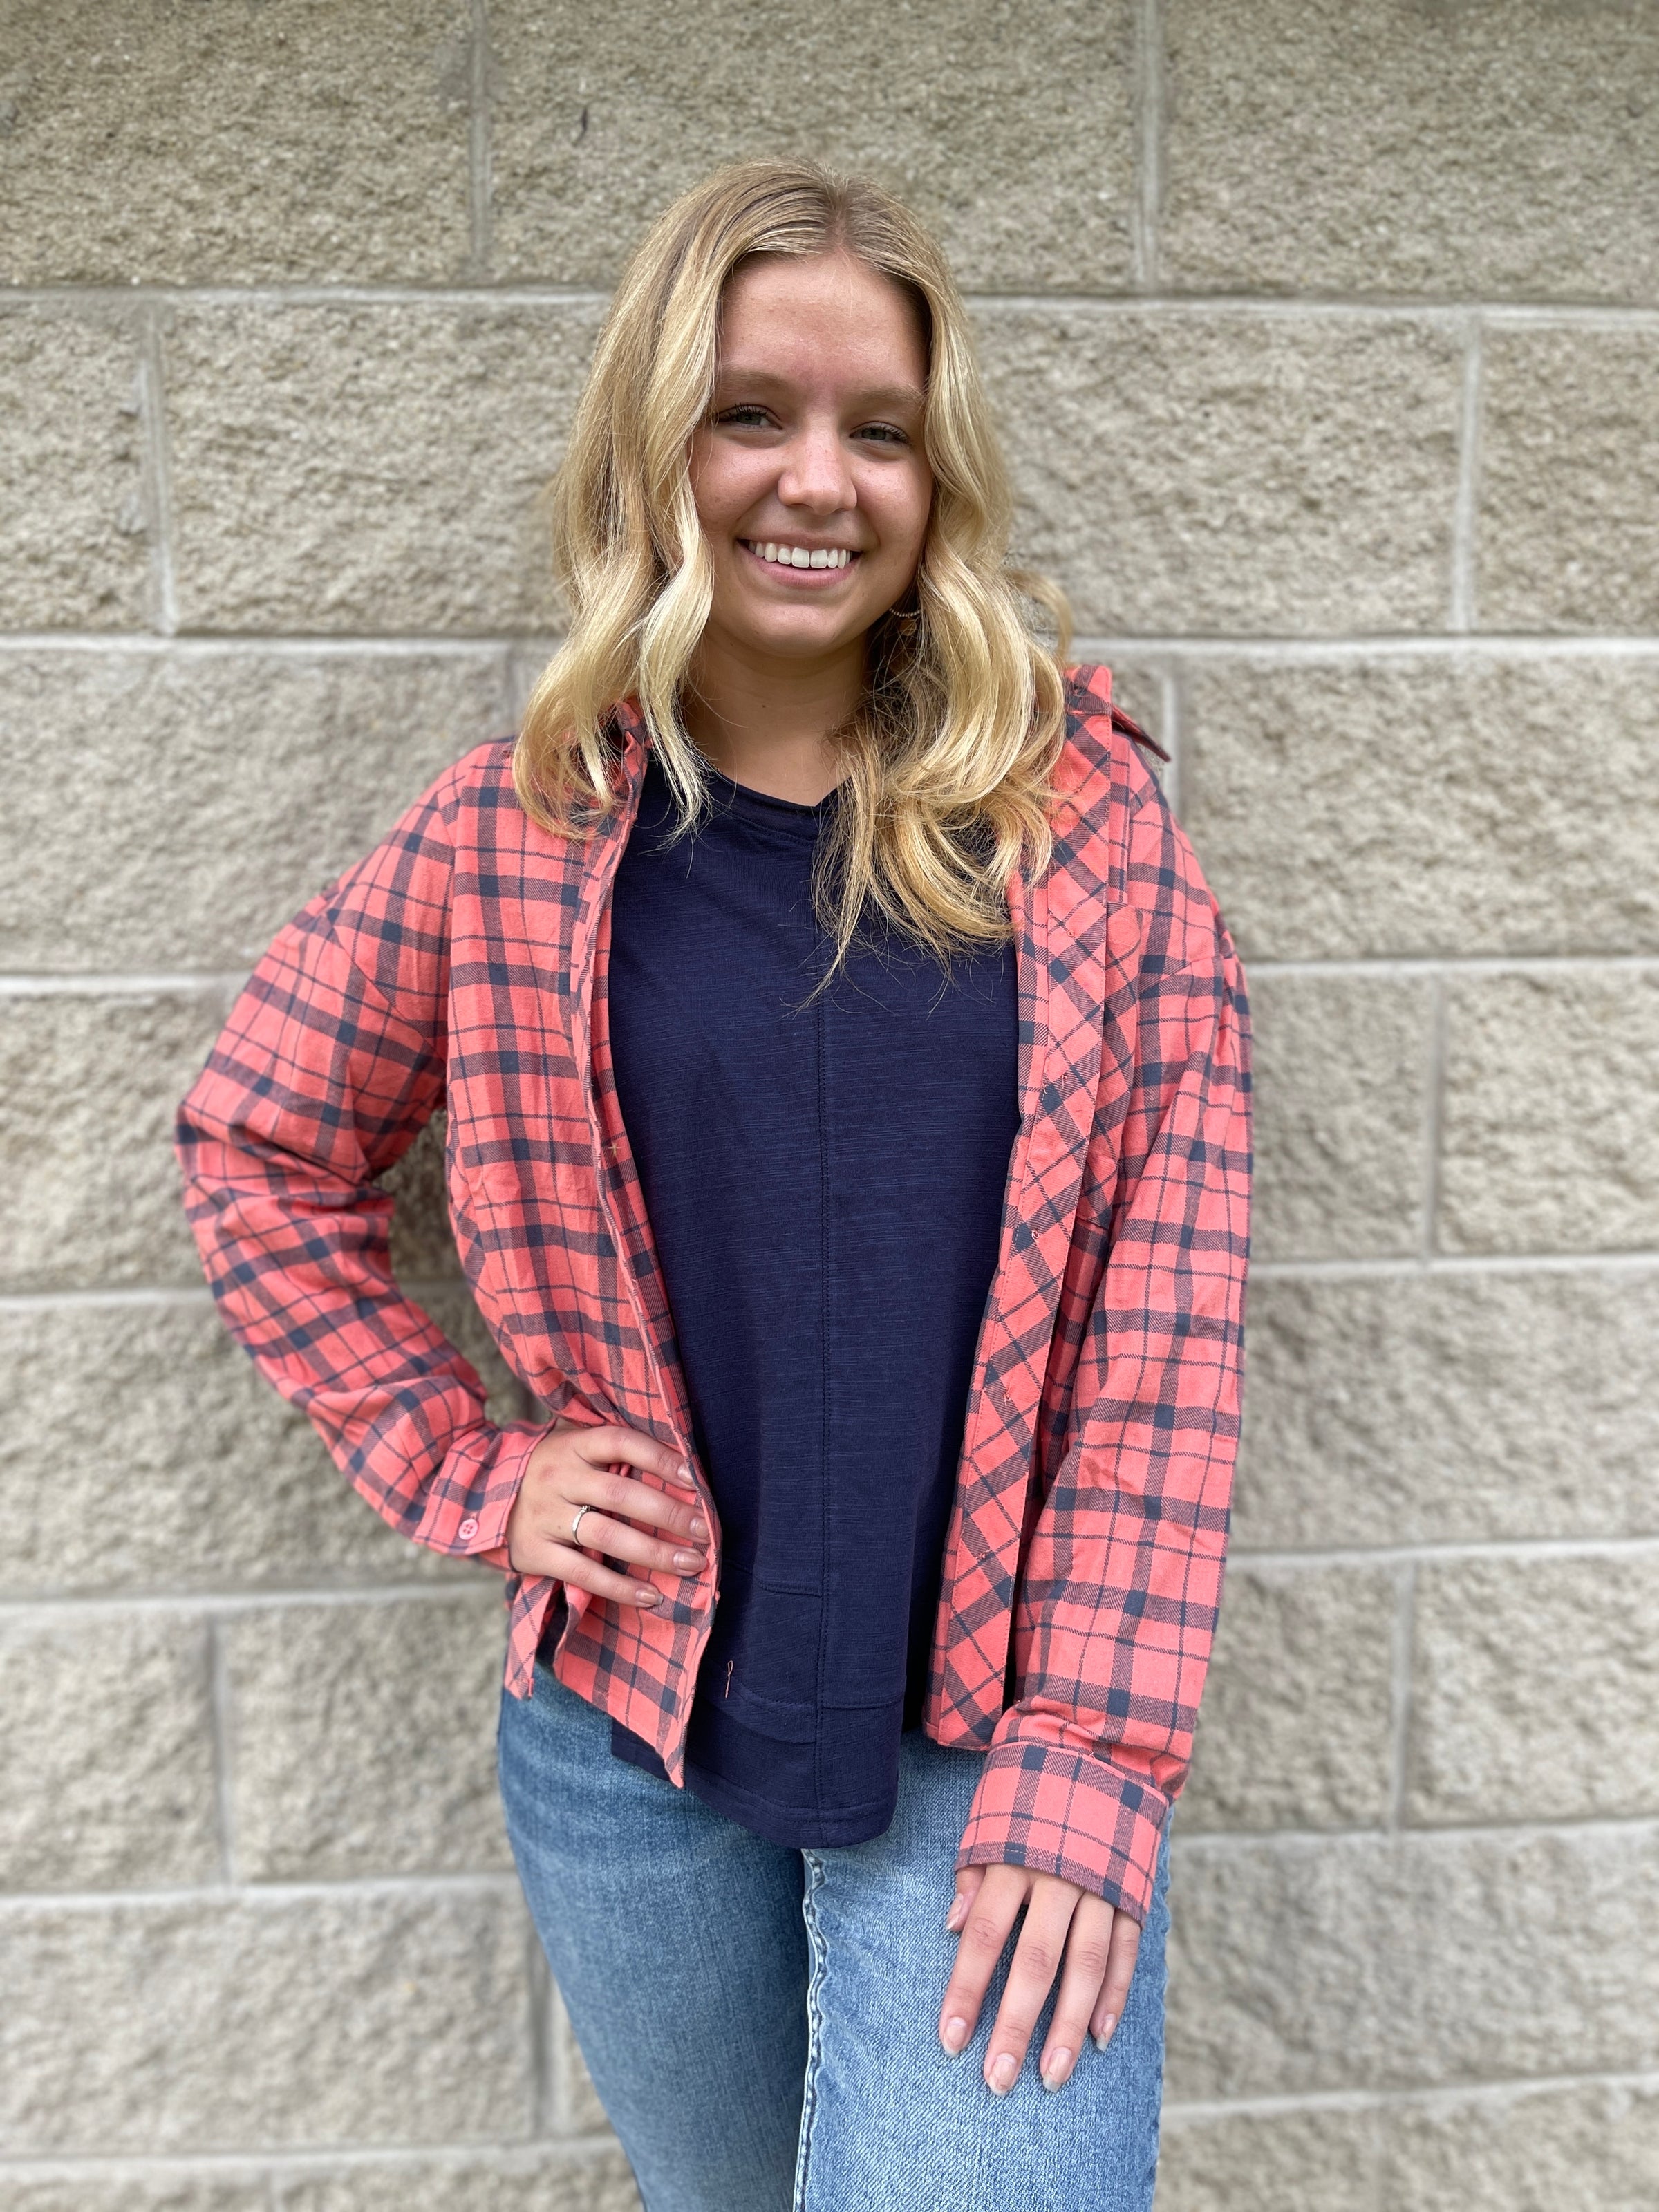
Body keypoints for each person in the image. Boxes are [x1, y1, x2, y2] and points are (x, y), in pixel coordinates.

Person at [175, 158, 1251, 2212]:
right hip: (633, 1746)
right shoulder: (512, 841)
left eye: (880, 429)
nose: (817, 481)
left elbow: (1166, 1330)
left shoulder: (1090, 837)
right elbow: (257, 1143)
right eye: (753, 412)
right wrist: (471, 1471)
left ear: (937, 474)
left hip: (996, 1745)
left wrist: (1099, 1751)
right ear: (657, 441)